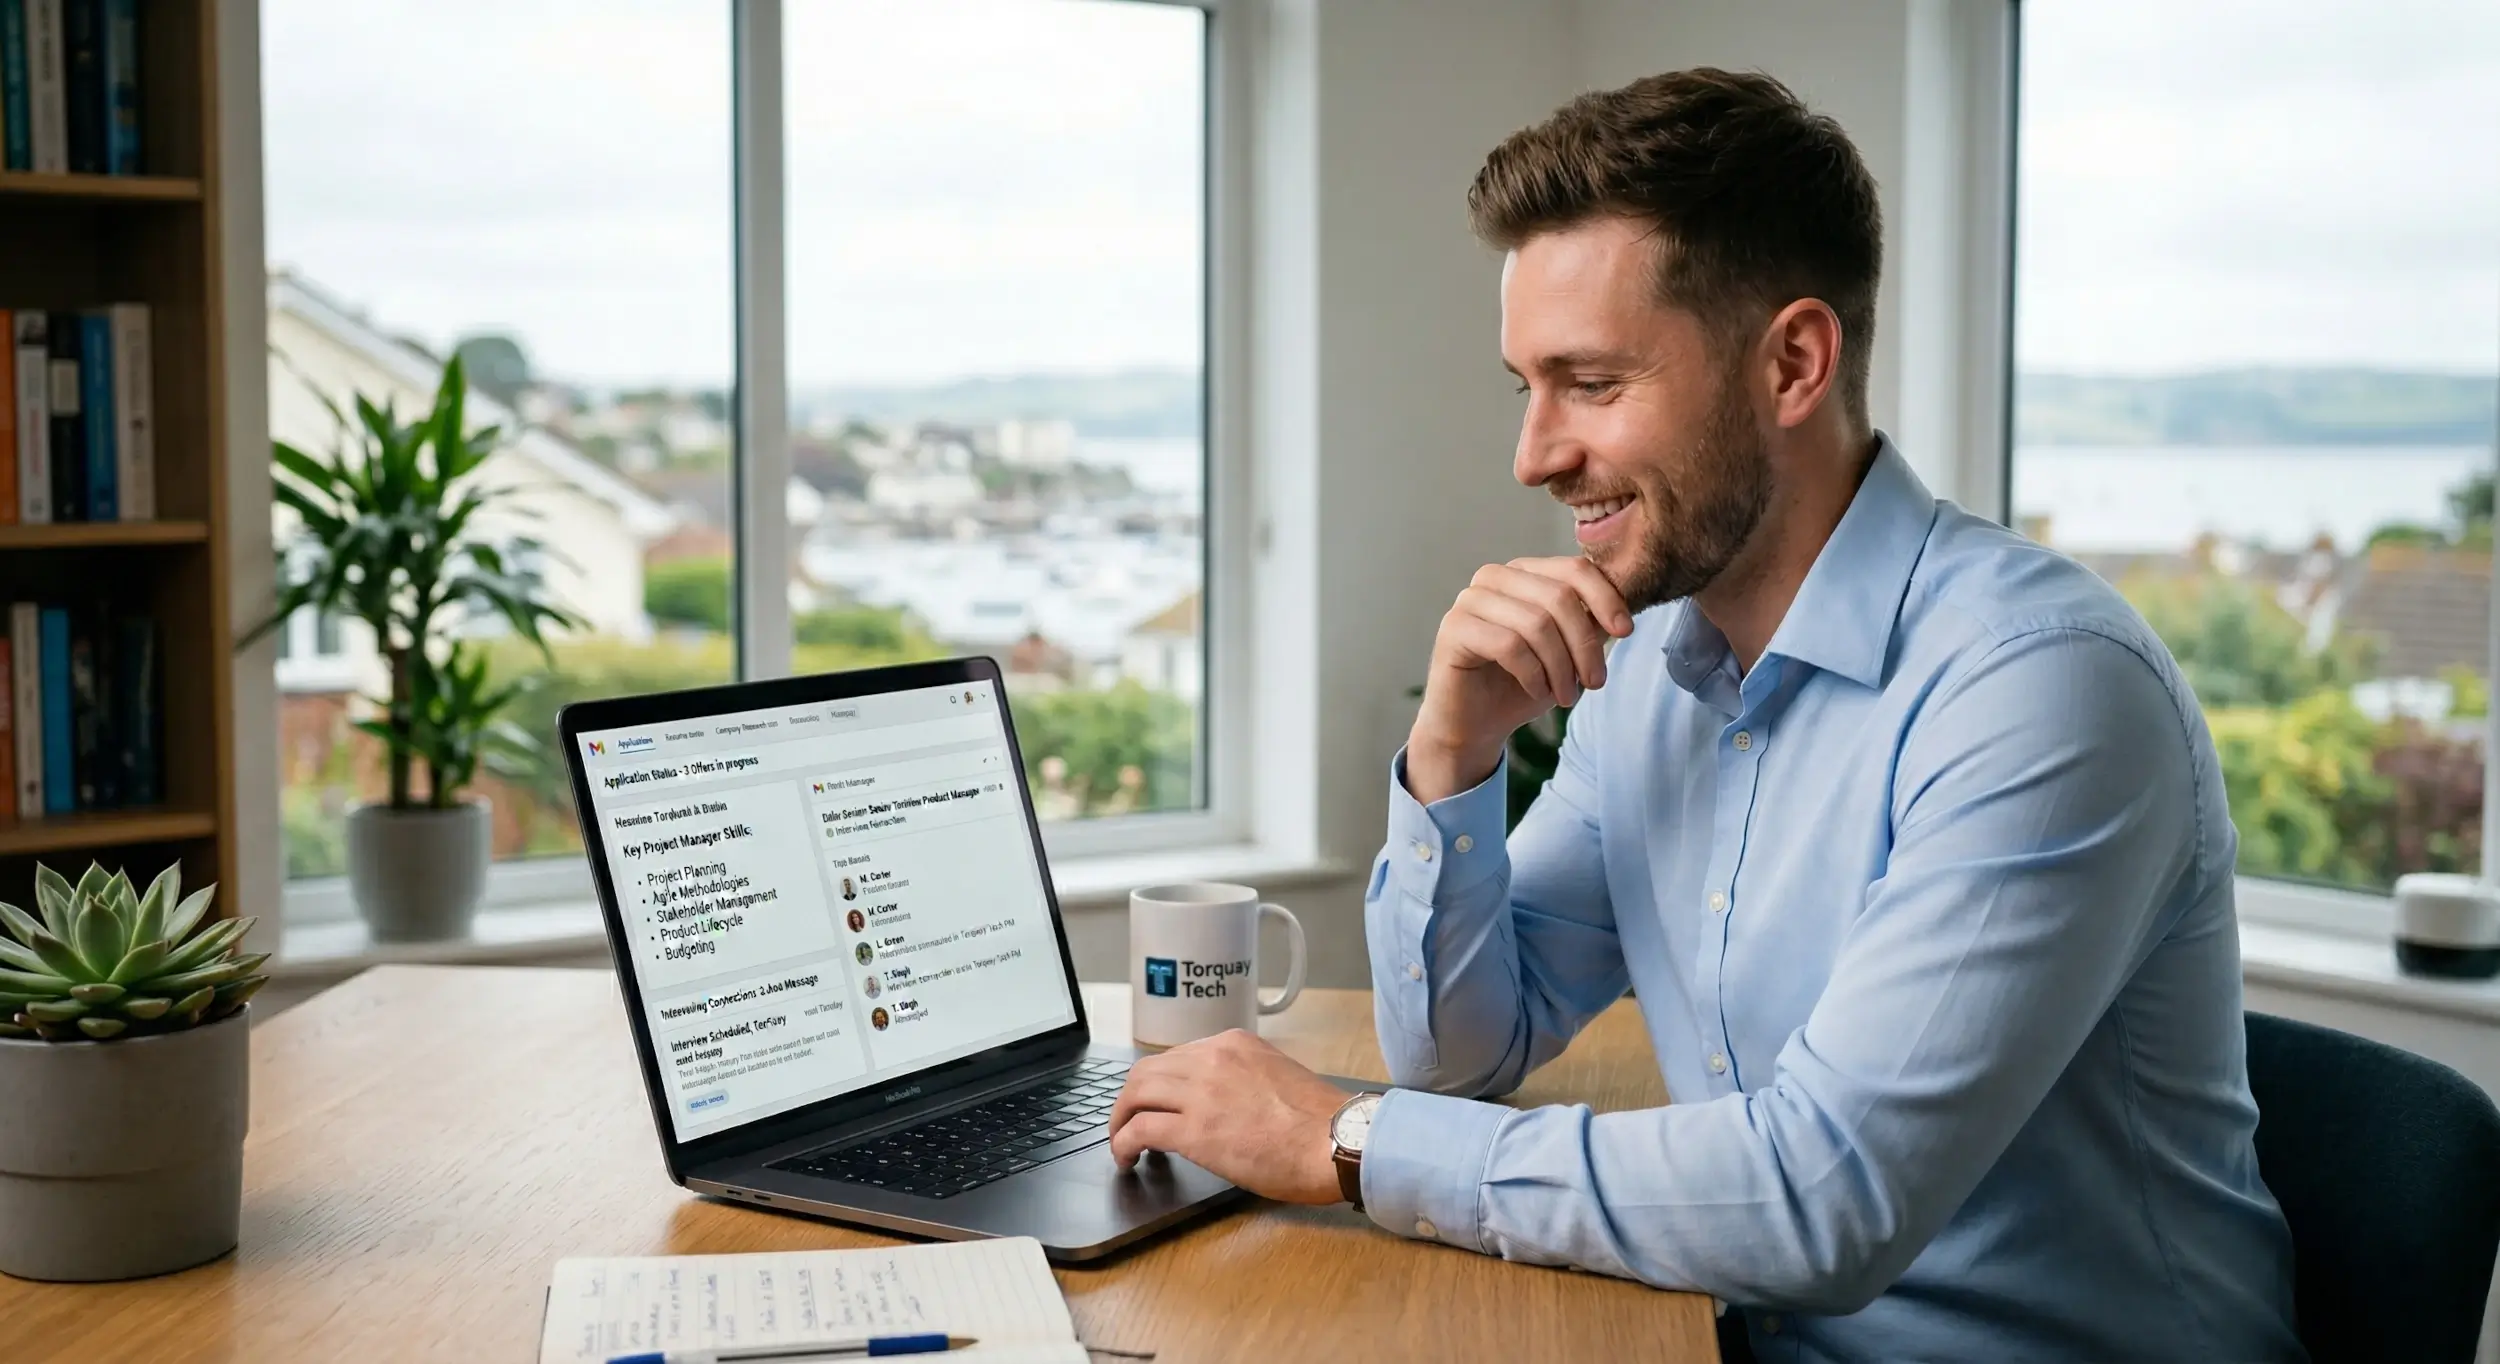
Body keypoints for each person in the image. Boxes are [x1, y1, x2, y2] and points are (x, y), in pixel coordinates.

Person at [1104, 68, 2302, 1362]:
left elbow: (1822, 1200)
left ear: (1792, 362)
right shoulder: (1661, 670)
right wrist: (1455, 754)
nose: (1534, 455)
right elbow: (1469, 1050)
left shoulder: (2040, 690)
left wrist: (1340, 1137)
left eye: (1592, 383)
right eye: (1527, 387)